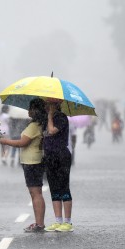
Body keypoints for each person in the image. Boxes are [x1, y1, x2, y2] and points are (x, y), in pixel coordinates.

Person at [0, 98, 47, 232]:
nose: (28, 111)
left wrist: (6, 141)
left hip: (32, 161)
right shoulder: (38, 124)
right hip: (34, 160)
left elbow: (23, 142)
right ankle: (39, 223)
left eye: (30, 108)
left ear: (35, 110)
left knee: (36, 193)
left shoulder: (34, 126)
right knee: (35, 193)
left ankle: (39, 224)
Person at [43, 98, 74, 232]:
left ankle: (67, 222)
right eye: (46, 104)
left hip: (61, 155)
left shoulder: (61, 117)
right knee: (54, 188)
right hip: (50, 156)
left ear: (57, 105)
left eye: (49, 104)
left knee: (63, 187)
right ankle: (58, 220)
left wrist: (49, 117)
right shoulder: (47, 118)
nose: (47, 107)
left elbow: (51, 131)